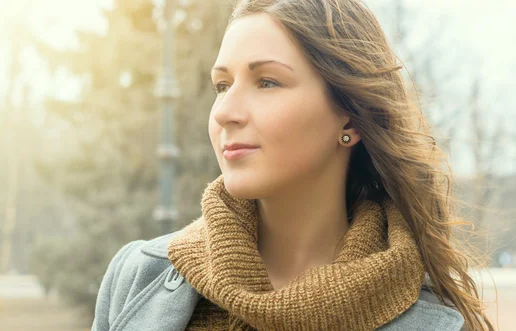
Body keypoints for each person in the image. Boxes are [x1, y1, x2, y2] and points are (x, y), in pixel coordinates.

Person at [92, 0, 494, 330]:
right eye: (222, 85)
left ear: (350, 118)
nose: (225, 112)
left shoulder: (438, 321)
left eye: (267, 82)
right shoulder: (137, 277)